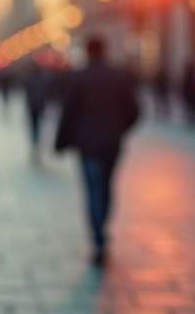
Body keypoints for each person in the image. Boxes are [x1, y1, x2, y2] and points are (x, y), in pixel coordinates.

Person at [54, 37, 139, 264]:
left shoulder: (77, 77)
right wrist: (119, 128)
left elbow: (68, 112)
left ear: (87, 51)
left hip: (87, 143)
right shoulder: (118, 75)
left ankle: (98, 239)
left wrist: (60, 142)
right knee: (107, 186)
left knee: (93, 189)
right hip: (112, 142)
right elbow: (134, 110)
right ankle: (103, 228)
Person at [23, 65, 52, 164]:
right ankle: (37, 142)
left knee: (33, 124)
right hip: (41, 105)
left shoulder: (29, 80)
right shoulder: (45, 80)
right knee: (39, 124)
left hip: (32, 105)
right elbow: (48, 93)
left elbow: (26, 92)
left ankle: (34, 142)